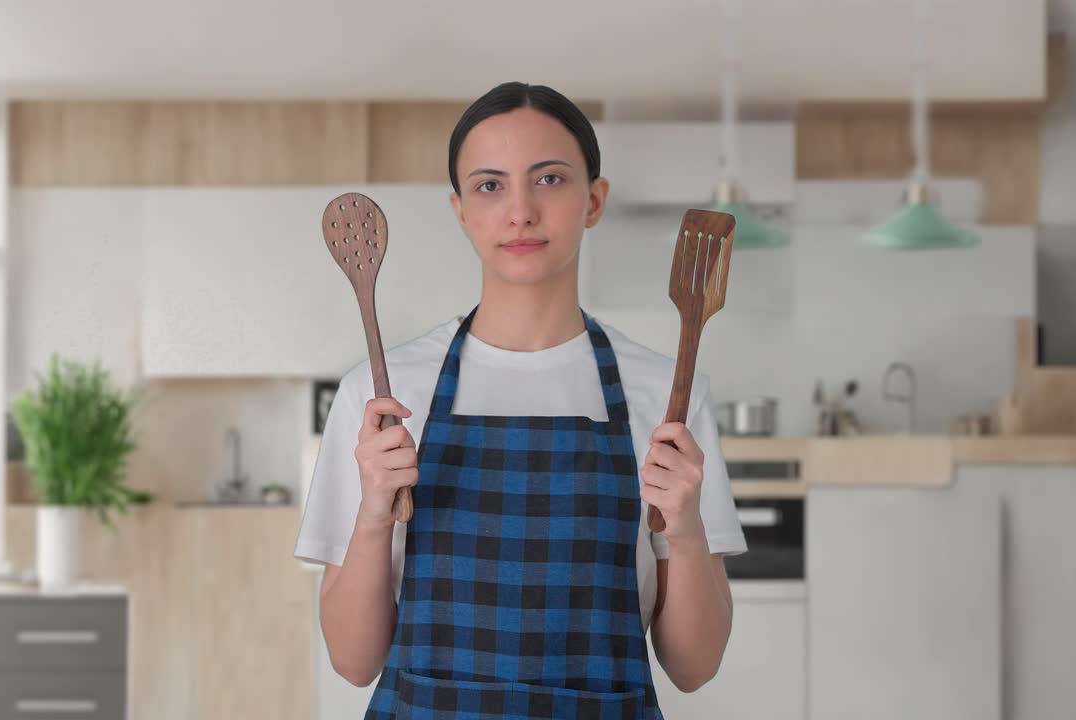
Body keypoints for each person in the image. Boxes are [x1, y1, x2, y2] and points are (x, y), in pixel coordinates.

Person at [294, 81, 747, 719]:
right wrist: (372, 514)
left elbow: (695, 668)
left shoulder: (666, 395)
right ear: (460, 212)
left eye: (551, 179)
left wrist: (689, 529)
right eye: (490, 185)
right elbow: (352, 660)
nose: (521, 211)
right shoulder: (382, 393)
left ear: (594, 200)